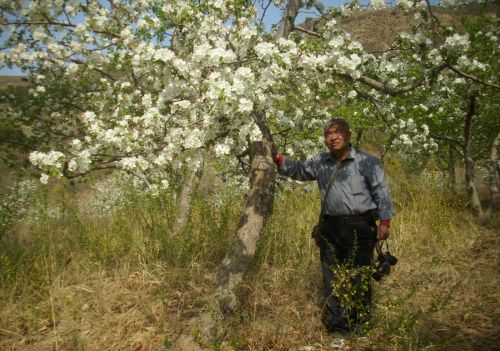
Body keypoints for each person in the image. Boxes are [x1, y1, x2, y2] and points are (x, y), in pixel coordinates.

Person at [270, 118, 394, 335]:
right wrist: (277, 158)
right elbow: (299, 169)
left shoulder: (367, 162)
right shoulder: (320, 162)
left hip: (361, 228)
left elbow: (381, 193)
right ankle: (338, 328)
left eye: (337, 132)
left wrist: (385, 222)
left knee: (358, 278)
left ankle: (360, 327)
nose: (333, 137)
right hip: (331, 230)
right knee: (332, 280)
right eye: (328, 134)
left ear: (348, 135)